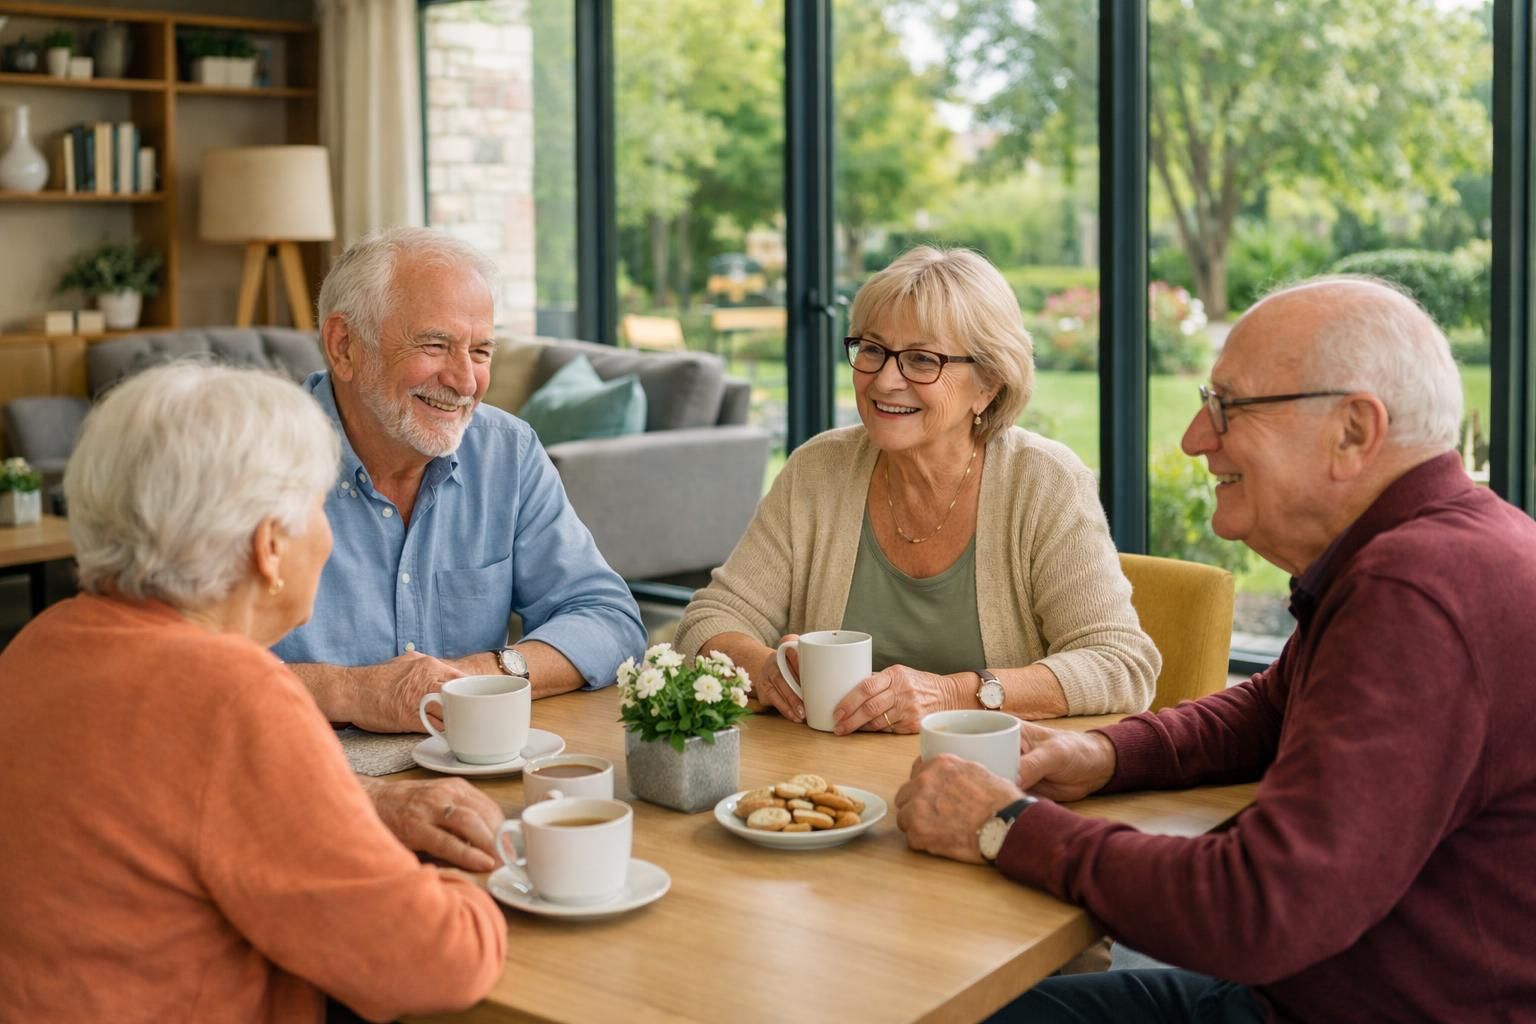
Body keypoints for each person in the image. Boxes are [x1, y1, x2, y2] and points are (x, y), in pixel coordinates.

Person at [895, 276, 1536, 1022]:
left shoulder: (1415, 591)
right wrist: (1101, 753)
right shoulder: (1441, 548)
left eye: (1228, 406)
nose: (1195, 437)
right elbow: (1270, 709)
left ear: (1354, 432)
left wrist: (1004, 825)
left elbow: (1256, 909)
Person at [0, 364, 506, 1022]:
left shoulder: (34, 647)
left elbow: (161, 808)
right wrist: (498, 874)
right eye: (320, 508)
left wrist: (364, 803)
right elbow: (436, 961)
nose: (328, 536)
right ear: (269, 546)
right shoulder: (231, 695)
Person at [676, 246, 1158, 733]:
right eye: (872, 349)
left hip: (987, 771)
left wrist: (954, 693)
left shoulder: (1043, 482)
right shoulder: (818, 471)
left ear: (988, 384)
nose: (885, 380)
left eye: (922, 360)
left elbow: (1120, 663)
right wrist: (764, 670)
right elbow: (709, 621)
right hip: (824, 771)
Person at [273, 227, 647, 727]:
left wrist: (483, 675)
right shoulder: (244, 461)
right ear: (344, 346)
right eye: (435, 345)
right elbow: (181, 663)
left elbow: (609, 619)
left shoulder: (506, 452)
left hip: (477, 759)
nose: (466, 381)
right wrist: (350, 691)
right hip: (300, 761)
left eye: (480, 351)